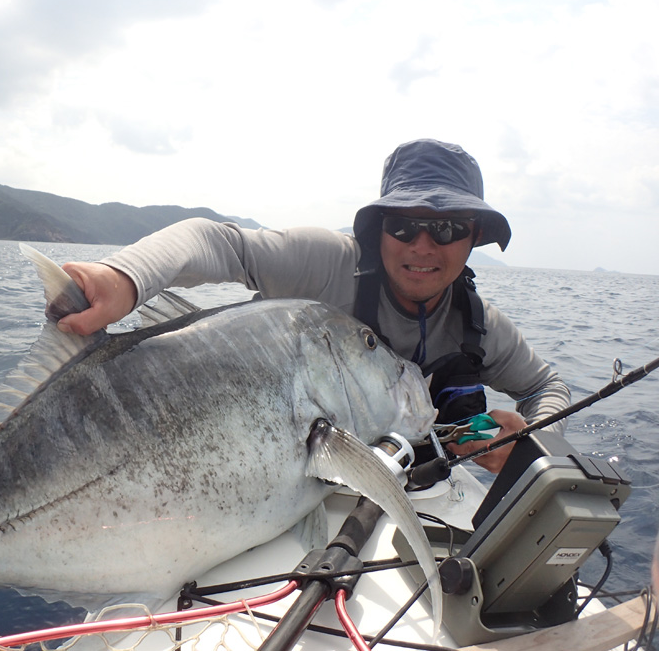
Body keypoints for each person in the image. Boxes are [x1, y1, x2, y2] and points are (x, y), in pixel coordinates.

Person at [56, 139, 570, 473]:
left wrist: (531, 441)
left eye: (447, 228)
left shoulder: (479, 326)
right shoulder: (327, 264)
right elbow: (217, 241)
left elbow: (548, 385)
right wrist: (126, 277)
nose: (422, 245)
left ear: (473, 237)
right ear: (378, 228)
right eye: (403, 224)